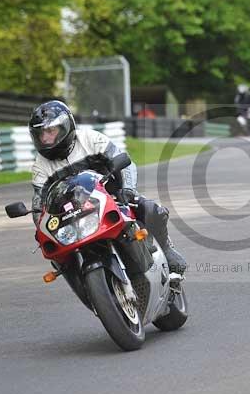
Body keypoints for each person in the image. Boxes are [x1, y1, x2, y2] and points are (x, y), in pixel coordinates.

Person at [28, 100, 187, 274]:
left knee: (150, 209)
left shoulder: (90, 139)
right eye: (41, 134)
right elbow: (39, 203)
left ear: (67, 126)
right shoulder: (40, 166)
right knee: (58, 256)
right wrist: (40, 225)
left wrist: (128, 190)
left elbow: (125, 163)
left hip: (112, 195)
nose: (45, 139)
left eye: (50, 131)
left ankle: (166, 249)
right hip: (73, 212)